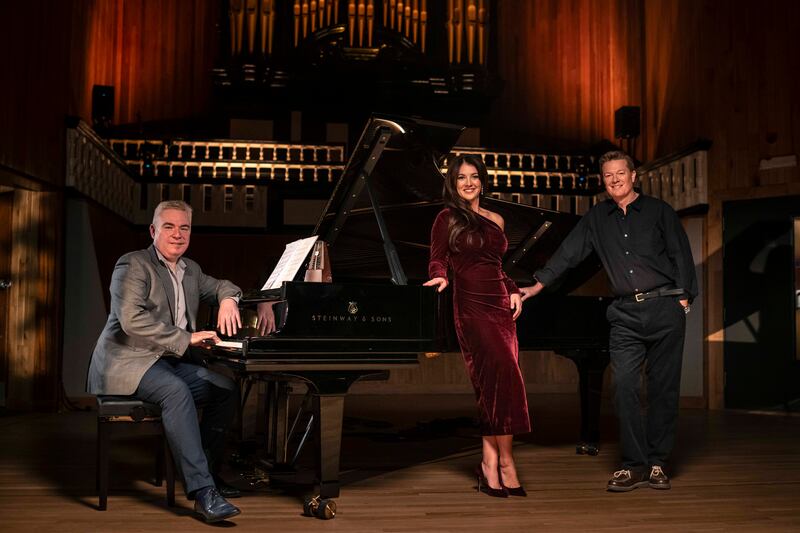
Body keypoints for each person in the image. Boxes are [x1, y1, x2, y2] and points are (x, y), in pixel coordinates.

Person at [520, 150, 697, 492]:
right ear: (603, 181)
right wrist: (536, 287)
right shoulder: (596, 218)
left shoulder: (660, 212)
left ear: (633, 176)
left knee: (663, 389)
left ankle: (659, 462)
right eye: (608, 176)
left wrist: (684, 298)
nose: (614, 180)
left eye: (620, 173)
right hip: (625, 314)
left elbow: (680, 254)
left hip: (664, 310)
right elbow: (567, 255)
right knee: (624, 388)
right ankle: (633, 465)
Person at [87, 200, 244, 522]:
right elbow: (131, 321)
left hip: (166, 361)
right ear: (153, 230)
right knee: (176, 392)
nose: (177, 234)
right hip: (127, 360)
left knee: (225, 389)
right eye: (169, 226)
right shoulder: (132, 265)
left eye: (184, 227)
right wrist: (187, 338)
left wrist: (228, 299)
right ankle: (204, 494)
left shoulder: (191, 270)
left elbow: (223, 286)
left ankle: (211, 474)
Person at [424, 154, 530, 498]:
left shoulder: (496, 219)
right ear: (452, 184)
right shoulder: (447, 218)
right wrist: (439, 277)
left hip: (501, 306)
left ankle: (491, 461)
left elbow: (497, 266)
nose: (468, 183)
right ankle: (505, 463)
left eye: (474, 176)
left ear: (483, 180)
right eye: (461, 178)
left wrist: (514, 291)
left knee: (503, 384)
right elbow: (438, 258)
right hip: (470, 306)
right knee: (495, 380)